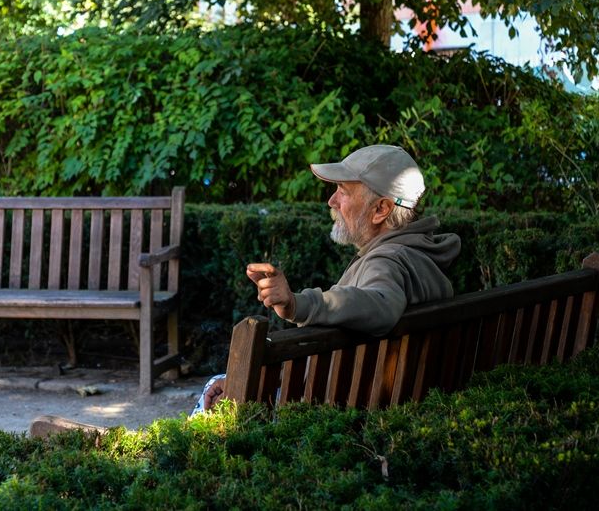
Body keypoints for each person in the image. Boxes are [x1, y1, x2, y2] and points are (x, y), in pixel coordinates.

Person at [191, 144, 461, 414]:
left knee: (213, 389)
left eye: (343, 191)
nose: (332, 201)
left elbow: (382, 304)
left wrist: (298, 304)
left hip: (340, 419)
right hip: (385, 408)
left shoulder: (387, 261)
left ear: (381, 209)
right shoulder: (419, 256)